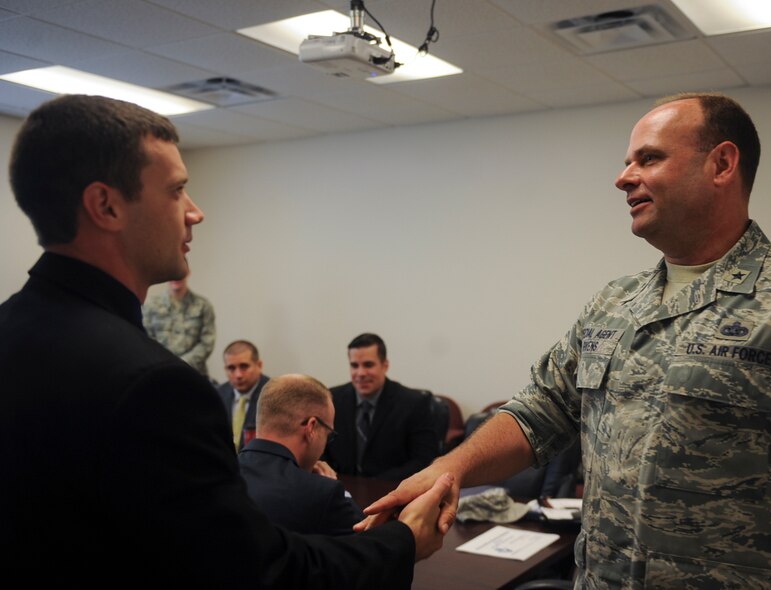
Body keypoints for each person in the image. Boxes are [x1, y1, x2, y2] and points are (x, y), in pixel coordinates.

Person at [362, 93, 771, 588]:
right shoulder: (615, 303)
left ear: (722, 165)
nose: (623, 178)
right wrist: (445, 470)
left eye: (649, 158)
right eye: (627, 162)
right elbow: (538, 411)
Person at [0, 94, 453, 588]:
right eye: (177, 191)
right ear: (106, 205)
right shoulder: (157, 386)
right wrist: (402, 541)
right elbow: (255, 571)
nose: (195, 213)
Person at [239, 374, 363, 535]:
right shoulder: (321, 494)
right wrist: (333, 488)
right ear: (311, 428)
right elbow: (367, 543)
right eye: (328, 435)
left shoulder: (218, 474)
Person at [323, 333, 438, 481]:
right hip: (340, 489)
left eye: (368, 365)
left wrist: (373, 484)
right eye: (354, 365)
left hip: (390, 490)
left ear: (385, 365)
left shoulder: (415, 403)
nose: (361, 373)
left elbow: (424, 461)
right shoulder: (331, 399)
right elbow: (320, 448)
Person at [142, 271, 216, 377]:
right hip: (161, 372)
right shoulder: (151, 306)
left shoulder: (203, 306)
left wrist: (181, 363)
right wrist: (166, 363)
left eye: (180, 272)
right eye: (172, 272)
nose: (176, 276)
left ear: (188, 272)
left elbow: (207, 343)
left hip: (194, 374)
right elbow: (146, 339)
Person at [217, 339, 269, 450]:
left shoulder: (273, 394)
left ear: (259, 365)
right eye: (231, 368)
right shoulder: (218, 395)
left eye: (244, 366)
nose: (238, 375)